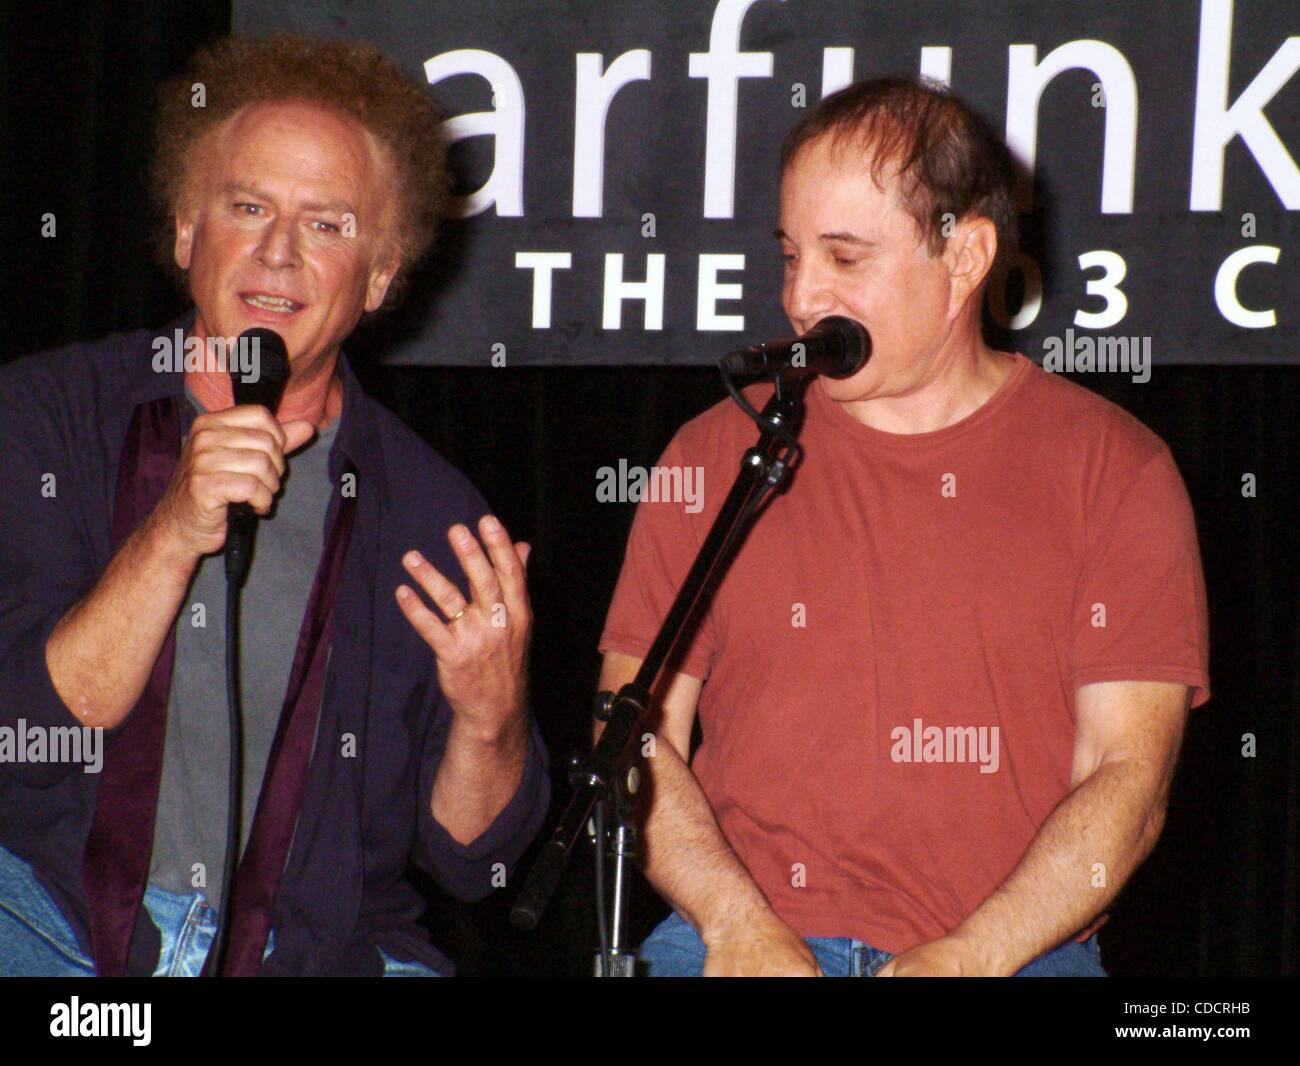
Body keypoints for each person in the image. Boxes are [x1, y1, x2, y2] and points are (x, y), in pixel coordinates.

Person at [597, 76, 1210, 977]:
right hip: (732, 934)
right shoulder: (715, 451)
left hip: (1013, 953)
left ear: (964, 258)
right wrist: (737, 926)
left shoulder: (1117, 469)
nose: (803, 297)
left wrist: (968, 957)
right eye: (789, 255)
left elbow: (1129, 780)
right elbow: (633, 735)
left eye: (845, 259)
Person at [0, 34, 548, 976]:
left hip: (314, 954)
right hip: (47, 925)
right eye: (247, 206)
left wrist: (490, 712)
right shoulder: (48, 415)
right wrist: (174, 527)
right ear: (184, 231)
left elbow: (473, 862)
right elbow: (30, 733)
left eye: (328, 224)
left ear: (381, 277)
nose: (278, 253)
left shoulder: (432, 513)